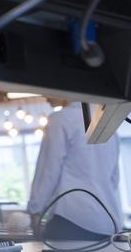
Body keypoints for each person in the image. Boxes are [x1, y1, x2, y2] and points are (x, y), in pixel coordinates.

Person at [28, 99, 123, 240]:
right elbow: (114, 180)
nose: (45, 97)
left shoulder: (60, 119)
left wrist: (35, 211)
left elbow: (48, 172)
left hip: (70, 218)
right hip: (107, 223)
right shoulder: (108, 125)